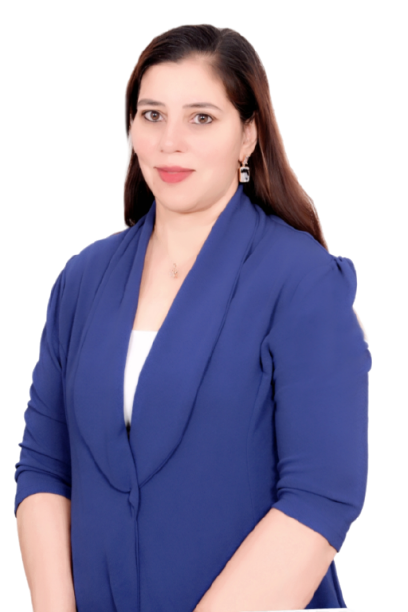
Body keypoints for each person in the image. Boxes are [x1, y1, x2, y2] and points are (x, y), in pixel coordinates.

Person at [14, 23, 371, 612]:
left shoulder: (302, 281)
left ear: (248, 135)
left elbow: (322, 493)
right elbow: (45, 466)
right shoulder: (83, 279)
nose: (169, 142)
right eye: (152, 115)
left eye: (201, 118)